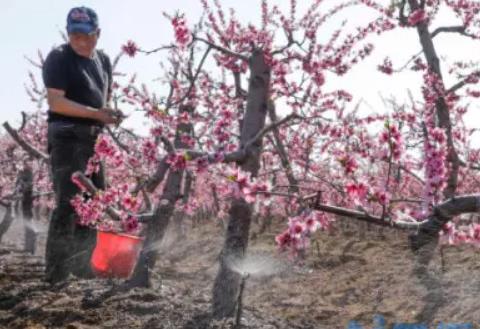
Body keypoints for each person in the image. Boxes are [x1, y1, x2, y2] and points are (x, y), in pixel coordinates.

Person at [42, 6, 123, 284]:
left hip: (92, 139)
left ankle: (81, 264)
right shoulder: (59, 58)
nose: (81, 41)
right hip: (66, 135)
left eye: (87, 35)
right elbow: (56, 101)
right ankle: (56, 274)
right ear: (68, 34)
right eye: (75, 35)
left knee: (96, 201)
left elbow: (103, 100)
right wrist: (95, 113)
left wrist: (109, 113)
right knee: (69, 202)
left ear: (97, 34)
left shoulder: (103, 61)